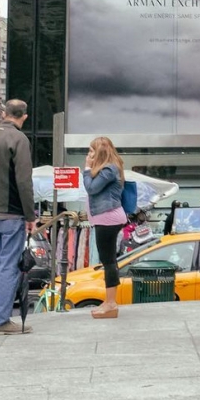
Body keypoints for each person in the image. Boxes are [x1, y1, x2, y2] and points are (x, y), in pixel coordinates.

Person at [0, 99, 36, 335]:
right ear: (23, 116)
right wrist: (30, 215)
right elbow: (24, 181)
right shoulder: (19, 139)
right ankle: (1, 320)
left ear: (4, 113)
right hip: (11, 214)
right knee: (8, 268)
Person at [82, 137, 128, 320]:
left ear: (99, 152)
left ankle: (111, 303)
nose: (89, 154)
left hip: (108, 218)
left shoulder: (109, 169)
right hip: (105, 218)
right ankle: (110, 301)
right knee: (109, 260)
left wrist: (86, 168)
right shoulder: (108, 168)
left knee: (108, 261)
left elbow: (91, 188)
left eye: (91, 151)